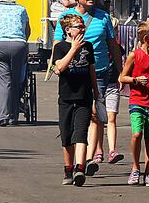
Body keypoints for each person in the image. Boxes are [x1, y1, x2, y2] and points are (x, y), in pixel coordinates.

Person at [53, 0, 123, 176]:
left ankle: (89, 158)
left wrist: (120, 71)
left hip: (99, 72)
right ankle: (90, 156)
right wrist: (60, 63)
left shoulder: (103, 17)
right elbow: (58, 45)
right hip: (73, 75)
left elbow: (113, 45)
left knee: (95, 116)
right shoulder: (67, 18)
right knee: (90, 118)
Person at [52, 13, 101, 187]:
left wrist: (96, 92)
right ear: (68, 30)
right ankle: (68, 168)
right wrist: (73, 49)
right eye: (78, 27)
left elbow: (91, 70)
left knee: (80, 133)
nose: (82, 29)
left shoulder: (88, 46)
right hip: (66, 97)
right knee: (66, 136)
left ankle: (80, 168)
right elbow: (60, 67)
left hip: (84, 96)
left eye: (83, 26)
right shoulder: (60, 47)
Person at [118, 20, 149, 187]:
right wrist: (135, 80)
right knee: (137, 133)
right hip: (137, 100)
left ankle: (148, 173)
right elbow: (122, 77)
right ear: (146, 38)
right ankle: (135, 168)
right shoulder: (134, 55)